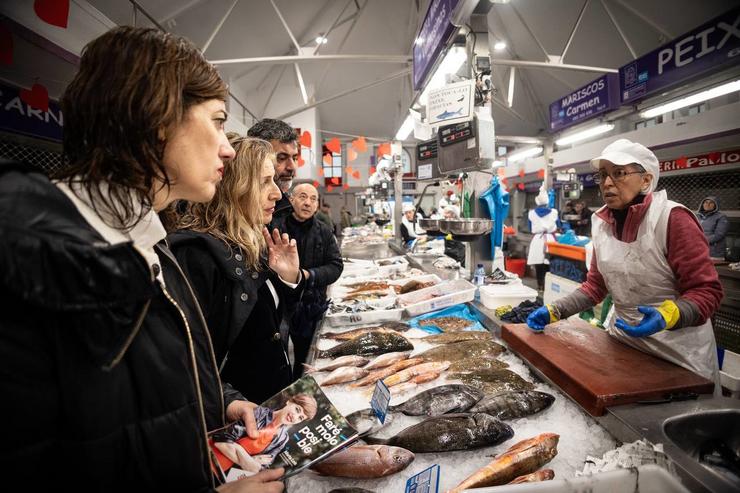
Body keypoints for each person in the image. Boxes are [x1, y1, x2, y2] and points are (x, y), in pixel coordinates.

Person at [0, 26, 283, 492]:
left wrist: (221, 401)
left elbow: (150, 388)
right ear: (158, 118)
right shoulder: (28, 261)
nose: (229, 148)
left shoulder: (152, 244)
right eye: (216, 121)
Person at [526, 139, 723, 383]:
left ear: (646, 180)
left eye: (619, 173)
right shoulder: (602, 224)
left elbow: (707, 292)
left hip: (678, 354)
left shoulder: (672, 219)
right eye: (602, 175)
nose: (607, 183)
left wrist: (668, 316)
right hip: (623, 344)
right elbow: (596, 286)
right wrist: (556, 310)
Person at [170, 136, 303, 405]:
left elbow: (265, 327)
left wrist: (289, 280)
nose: (277, 193)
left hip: (268, 408)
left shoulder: (249, 243)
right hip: (237, 423)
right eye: (265, 182)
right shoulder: (197, 257)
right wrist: (228, 403)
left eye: (274, 181)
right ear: (234, 187)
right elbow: (185, 364)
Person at [272, 183, 343, 378]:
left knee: (305, 359)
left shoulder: (324, 230)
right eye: (303, 197)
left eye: (313, 199)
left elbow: (336, 266)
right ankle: (279, 394)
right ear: (292, 199)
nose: (308, 203)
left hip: (311, 307)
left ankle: (299, 389)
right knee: (276, 358)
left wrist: (308, 275)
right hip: (279, 305)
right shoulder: (276, 227)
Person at [212, 394, 317, 474]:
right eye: (297, 410)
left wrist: (240, 453)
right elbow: (221, 440)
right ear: (289, 402)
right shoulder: (260, 413)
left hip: (223, 474)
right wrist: (251, 461)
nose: (295, 416)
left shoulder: (282, 439)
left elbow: (261, 469)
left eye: (300, 418)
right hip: (208, 455)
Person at [248, 119, 300, 220]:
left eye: (294, 158)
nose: (292, 167)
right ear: (256, 155)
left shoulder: (286, 209)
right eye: (281, 158)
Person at [527, 186, 559, 291]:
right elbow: (558, 225)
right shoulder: (554, 212)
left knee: (538, 264)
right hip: (550, 240)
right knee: (549, 264)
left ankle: (540, 285)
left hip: (538, 239)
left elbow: (529, 227)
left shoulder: (531, 213)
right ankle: (548, 286)